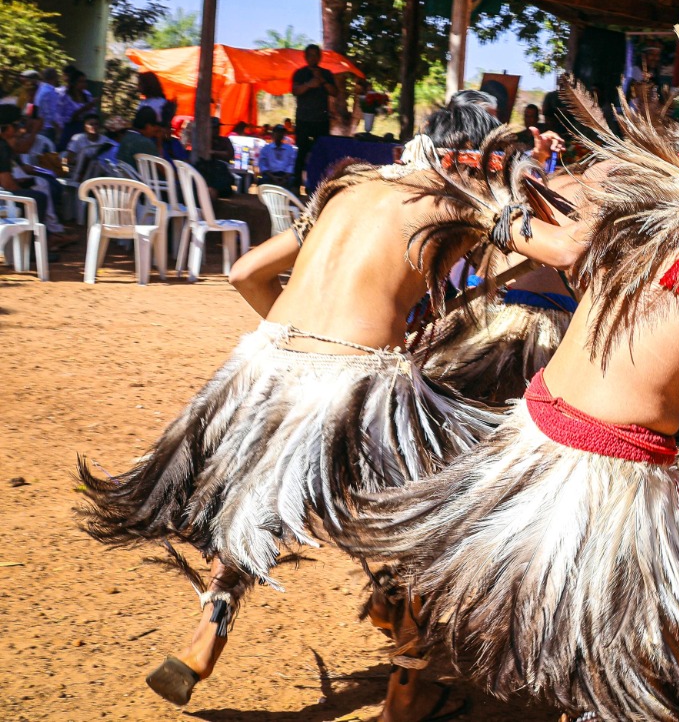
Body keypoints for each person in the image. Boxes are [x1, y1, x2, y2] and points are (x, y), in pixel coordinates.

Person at [334, 91, 679, 722]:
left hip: (529, 433)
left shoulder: (662, 211)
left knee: (587, 626)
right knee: (657, 652)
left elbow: (619, 293)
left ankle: (407, 683)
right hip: (608, 480)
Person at [75, 92, 584, 715]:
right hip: (356, 378)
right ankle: (406, 689)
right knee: (430, 518)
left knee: (255, 503)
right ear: (477, 157)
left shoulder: (345, 191)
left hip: (260, 362)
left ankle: (206, 635)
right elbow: (566, 254)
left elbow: (244, 274)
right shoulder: (460, 202)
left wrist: (303, 351)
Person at [290, 44, 336, 190]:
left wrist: (321, 80)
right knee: (301, 153)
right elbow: (295, 91)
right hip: (304, 120)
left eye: (316, 55)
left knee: (320, 155)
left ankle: (318, 187)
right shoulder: (300, 73)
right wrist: (309, 84)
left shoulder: (327, 74)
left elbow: (335, 92)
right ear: (305, 57)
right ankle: (296, 185)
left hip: (321, 120)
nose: (313, 58)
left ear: (320, 57)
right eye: (310, 55)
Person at [254, 124, 297, 189]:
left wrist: (285, 177)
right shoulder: (266, 149)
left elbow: (292, 165)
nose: (279, 134)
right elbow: (263, 165)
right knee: (262, 180)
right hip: (270, 175)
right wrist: (272, 177)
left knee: (293, 181)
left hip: (285, 176)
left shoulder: (290, 149)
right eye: (277, 132)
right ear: (273, 134)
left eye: (281, 133)